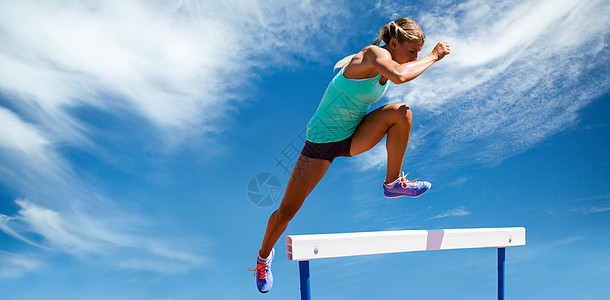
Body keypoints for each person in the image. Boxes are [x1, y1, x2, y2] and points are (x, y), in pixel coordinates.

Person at [249, 17, 450, 293]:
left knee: (402, 114)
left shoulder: (386, 62)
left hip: (353, 136)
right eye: (412, 51)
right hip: (320, 145)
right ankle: (263, 258)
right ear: (394, 44)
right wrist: (434, 56)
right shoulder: (374, 55)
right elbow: (401, 76)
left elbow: (398, 74)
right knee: (286, 212)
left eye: (418, 52)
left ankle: (392, 184)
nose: (414, 57)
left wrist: (423, 57)